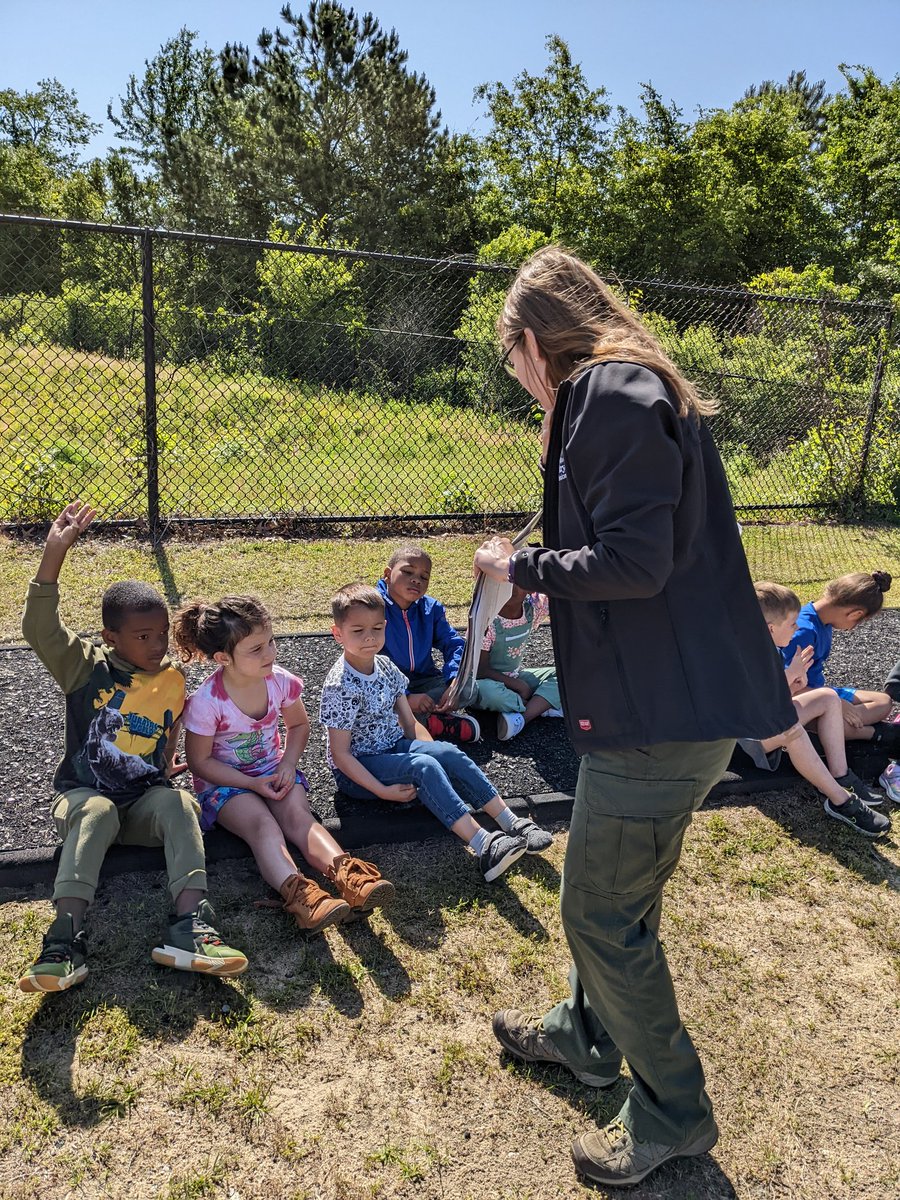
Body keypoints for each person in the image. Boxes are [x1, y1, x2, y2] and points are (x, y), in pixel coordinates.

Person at [473, 247, 798, 1189]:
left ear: (533, 342)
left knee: (599, 909)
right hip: (661, 704)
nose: (522, 384)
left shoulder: (610, 395)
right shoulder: (620, 392)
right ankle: (582, 1034)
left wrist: (516, 569)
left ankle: (673, 1113)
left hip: (664, 715)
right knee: (616, 894)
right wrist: (544, 581)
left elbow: (636, 563)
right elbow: (629, 562)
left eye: (515, 367)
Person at [19, 502, 247, 994]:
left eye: (161, 633)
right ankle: (64, 941)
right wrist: (53, 556)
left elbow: (165, 738)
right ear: (110, 636)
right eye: (142, 636)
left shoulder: (172, 679)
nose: (155, 644)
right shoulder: (85, 666)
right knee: (98, 812)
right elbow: (38, 630)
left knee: (178, 800)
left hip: (141, 805)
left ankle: (191, 927)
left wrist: (165, 768)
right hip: (86, 799)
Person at [174, 595, 394, 936]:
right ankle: (302, 895)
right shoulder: (207, 702)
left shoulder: (279, 680)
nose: (270, 653)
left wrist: (288, 764)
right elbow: (199, 762)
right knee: (264, 826)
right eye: (256, 649)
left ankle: (349, 875)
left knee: (298, 818)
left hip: (273, 771)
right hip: (227, 785)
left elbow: (298, 725)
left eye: (271, 641)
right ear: (223, 658)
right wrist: (251, 785)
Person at [320, 583, 552, 881]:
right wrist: (383, 791)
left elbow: (409, 722)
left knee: (446, 752)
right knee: (424, 765)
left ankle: (512, 822)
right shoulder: (340, 685)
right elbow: (340, 755)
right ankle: (485, 846)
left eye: (377, 628)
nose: (369, 637)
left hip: (393, 748)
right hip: (358, 770)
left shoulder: (386, 666)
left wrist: (437, 755)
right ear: (337, 633)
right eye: (358, 631)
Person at [739, 582, 889, 837]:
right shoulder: (745, 654)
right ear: (770, 628)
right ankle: (840, 800)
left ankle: (840, 775)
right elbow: (756, 709)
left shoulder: (770, 648)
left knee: (828, 697)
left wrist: (794, 681)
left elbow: (775, 703)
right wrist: (789, 677)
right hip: (741, 740)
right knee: (791, 728)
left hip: (761, 725)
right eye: (792, 624)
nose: (796, 629)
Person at [782, 572, 899, 750]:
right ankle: (875, 734)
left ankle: (844, 725)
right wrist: (836, 704)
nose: (854, 628)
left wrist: (839, 703)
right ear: (855, 614)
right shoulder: (803, 631)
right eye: (860, 621)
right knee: (836, 722)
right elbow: (784, 687)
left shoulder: (822, 620)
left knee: (883, 702)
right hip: (803, 700)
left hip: (822, 692)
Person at [376, 545, 480, 743]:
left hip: (424, 681)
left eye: (424, 577)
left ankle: (421, 721)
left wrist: (453, 681)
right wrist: (405, 697)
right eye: (407, 572)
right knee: (369, 700)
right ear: (388, 574)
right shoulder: (372, 607)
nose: (416, 580)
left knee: (468, 689)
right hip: (386, 686)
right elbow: (367, 661)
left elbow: (454, 644)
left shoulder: (430, 609)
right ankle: (427, 722)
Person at [475, 585, 562, 740]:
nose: (510, 588)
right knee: (489, 692)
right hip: (486, 682)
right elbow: (480, 670)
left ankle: (521, 718)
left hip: (515, 676)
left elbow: (559, 594)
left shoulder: (533, 608)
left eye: (517, 582)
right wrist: (520, 686)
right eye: (504, 583)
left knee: (564, 675)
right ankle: (541, 705)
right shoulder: (486, 620)